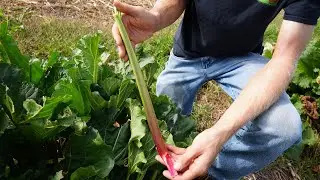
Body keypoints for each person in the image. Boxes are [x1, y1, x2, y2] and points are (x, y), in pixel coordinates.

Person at [112, 0, 320, 179]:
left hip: (241, 59)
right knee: (163, 120)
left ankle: (204, 173)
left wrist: (219, 133)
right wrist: (156, 17)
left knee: (284, 127)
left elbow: (283, 61)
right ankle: (163, 167)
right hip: (187, 56)